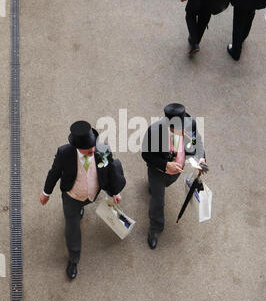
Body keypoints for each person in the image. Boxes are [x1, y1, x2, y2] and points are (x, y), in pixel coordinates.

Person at [40, 120, 126, 279]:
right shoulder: (64, 153)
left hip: (92, 195)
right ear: (77, 148)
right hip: (72, 197)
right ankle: (74, 258)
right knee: (72, 227)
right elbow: (54, 173)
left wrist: (115, 191)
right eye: (88, 149)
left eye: (93, 146)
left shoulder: (102, 150)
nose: (93, 150)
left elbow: (111, 170)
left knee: (84, 206)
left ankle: (82, 208)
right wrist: (46, 193)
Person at [142, 103, 206, 249]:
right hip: (158, 172)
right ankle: (154, 229)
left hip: (177, 172)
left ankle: (153, 188)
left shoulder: (190, 125)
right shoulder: (154, 132)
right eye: (179, 129)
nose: (184, 131)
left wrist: (201, 157)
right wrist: (165, 165)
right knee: (158, 202)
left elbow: (197, 144)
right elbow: (146, 155)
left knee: (165, 185)